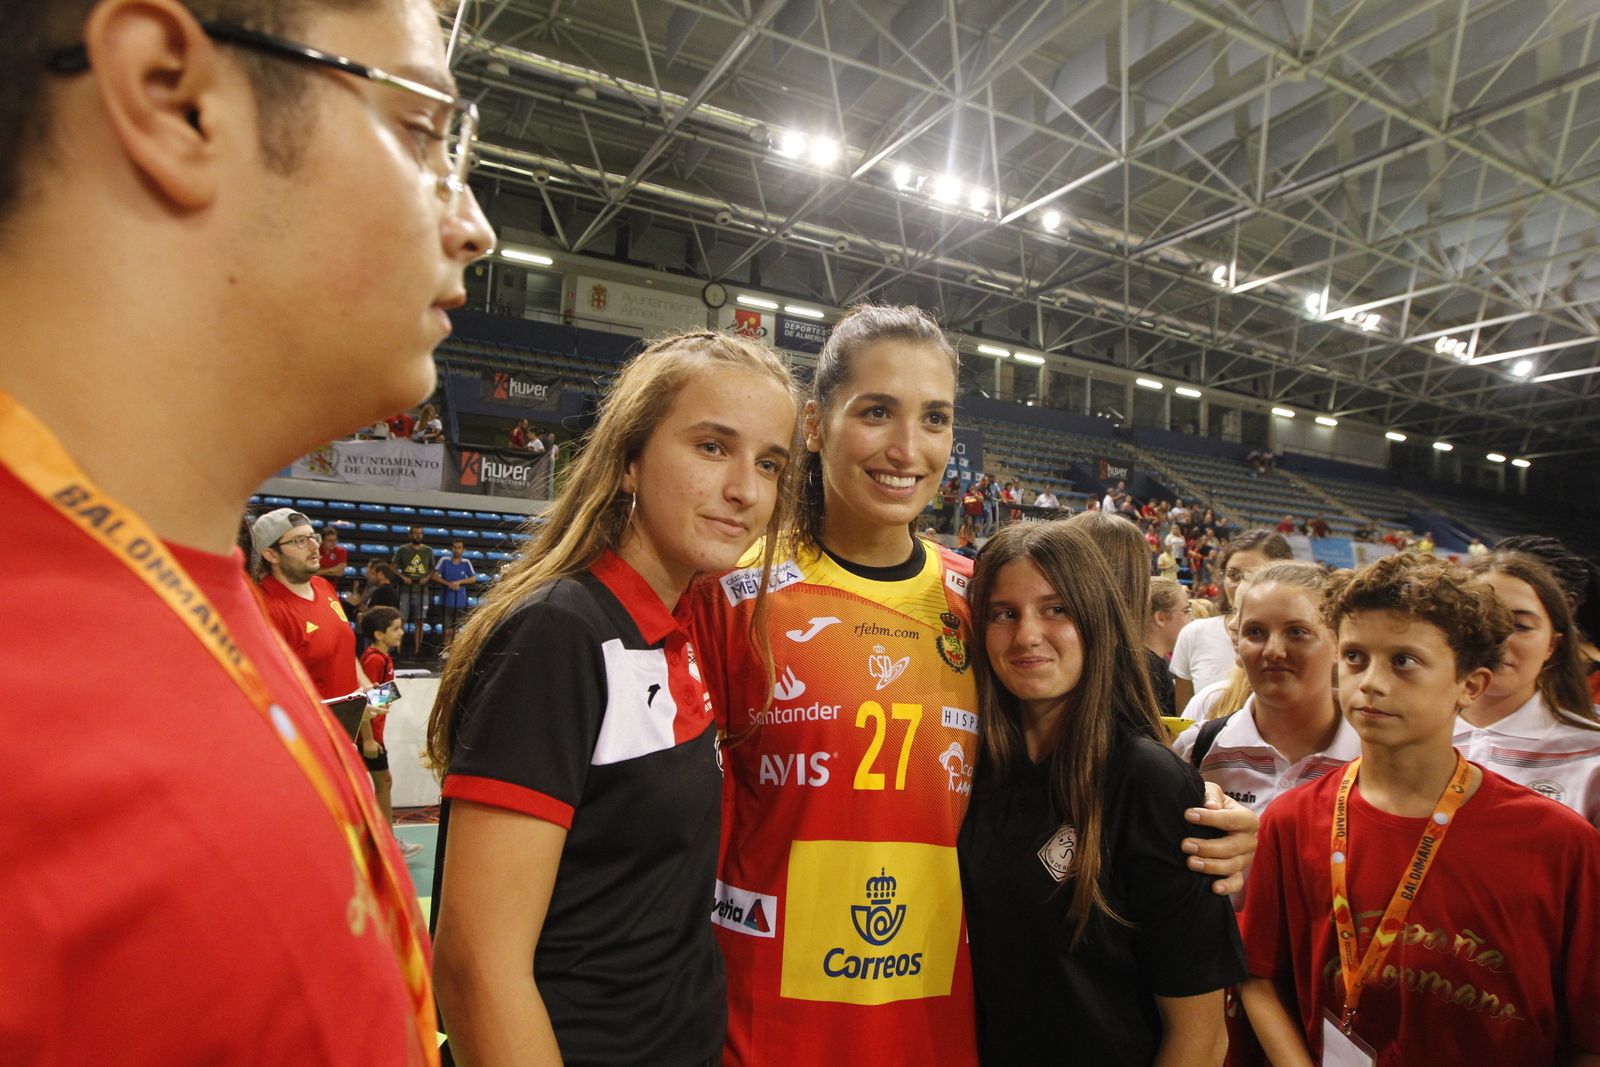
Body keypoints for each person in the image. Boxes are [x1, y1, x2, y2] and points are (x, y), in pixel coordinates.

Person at [0, 0, 495, 1057]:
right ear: (176, 101)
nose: (473, 225)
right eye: (419, 131)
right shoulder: (37, 753)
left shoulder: (185, 598)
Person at [690, 304, 1258, 1067]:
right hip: (766, 1025)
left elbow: (1081, 765)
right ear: (817, 423)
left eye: (935, 418)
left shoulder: (979, 602)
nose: (906, 448)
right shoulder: (731, 588)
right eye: (877, 412)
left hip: (946, 1027)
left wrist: (1207, 824)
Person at [426, 331, 798, 1066]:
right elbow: (475, 965)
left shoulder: (677, 630)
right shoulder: (559, 632)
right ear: (629, 460)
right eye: (712, 447)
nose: (746, 490)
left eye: (770, 463)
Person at [1240, 553, 1600, 1066]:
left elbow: (1588, 1033)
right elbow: (1259, 975)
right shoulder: (1293, 820)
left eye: (1404, 661)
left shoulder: (1557, 841)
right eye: (1355, 657)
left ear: (1469, 685)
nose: (1371, 683)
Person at [960, 523, 1244, 1065]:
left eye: (1056, 609)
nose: (1027, 636)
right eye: (1004, 613)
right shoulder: (977, 769)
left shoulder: (1148, 782)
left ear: (1098, 618)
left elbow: (1201, 1040)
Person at [1172, 562, 1359, 875]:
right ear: (1237, 645)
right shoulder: (1198, 749)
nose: (1273, 651)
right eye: (1255, 632)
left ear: (1339, 643)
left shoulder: (1375, 759)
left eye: (1297, 632)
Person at [1459, 551, 1600, 828]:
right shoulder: (1395, 733)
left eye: (1521, 626)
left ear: (1552, 645)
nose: (1497, 640)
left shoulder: (1592, 749)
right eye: (1480, 622)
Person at [1170, 531, 1294, 710]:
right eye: (1233, 574)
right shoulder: (1194, 634)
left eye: (1254, 575)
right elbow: (1185, 721)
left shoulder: (1296, 645)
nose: (1241, 584)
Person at [358, 605, 423, 858]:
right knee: (383, 782)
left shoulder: (382, 658)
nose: (401, 633)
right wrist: (369, 740)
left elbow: (382, 697)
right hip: (369, 738)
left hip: (374, 736)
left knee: (381, 783)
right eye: (395, 629)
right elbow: (366, 700)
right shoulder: (375, 659)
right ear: (378, 634)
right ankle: (387, 842)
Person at [1146, 577, 1190, 718]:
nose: (1191, 619)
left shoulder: (1157, 663)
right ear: (1161, 618)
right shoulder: (1146, 669)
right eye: (1186, 611)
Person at [392, 524, 435, 657]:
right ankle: (397, 648)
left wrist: (426, 578)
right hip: (405, 589)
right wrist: (403, 577)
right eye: (415, 533)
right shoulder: (403, 549)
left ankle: (418, 650)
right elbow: (392, 567)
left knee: (420, 620)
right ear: (410, 535)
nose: (418, 535)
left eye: (420, 533)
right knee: (402, 619)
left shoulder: (428, 551)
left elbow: (432, 569)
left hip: (422, 590)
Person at [431, 538, 477, 650]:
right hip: (446, 600)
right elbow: (434, 575)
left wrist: (460, 582)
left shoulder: (466, 563)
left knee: (457, 630)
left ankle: (454, 652)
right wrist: (448, 584)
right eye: (455, 547)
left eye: (459, 548)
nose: (457, 550)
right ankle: (446, 650)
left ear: (463, 550)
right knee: (447, 630)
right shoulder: (444, 560)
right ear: (452, 548)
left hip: (460, 601)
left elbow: (473, 578)